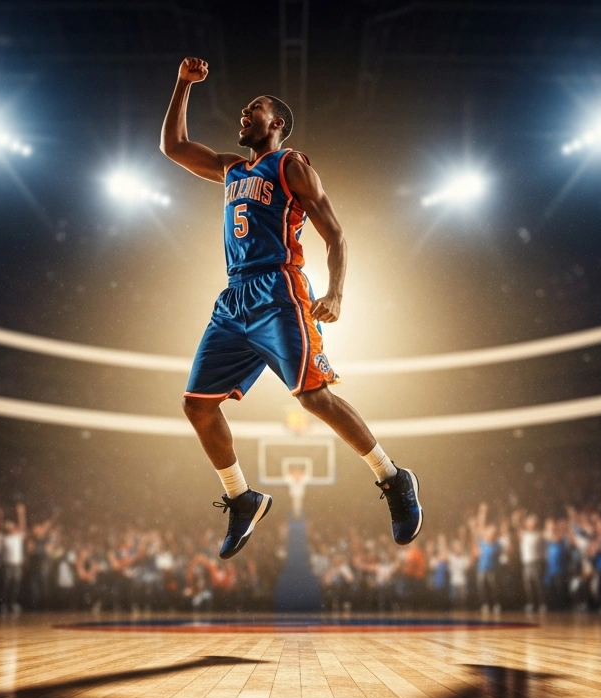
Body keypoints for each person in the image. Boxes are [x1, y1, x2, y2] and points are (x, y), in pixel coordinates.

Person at [159, 57, 422, 559]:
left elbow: (336, 234)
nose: (244, 114)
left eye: (253, 109)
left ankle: (393, 478)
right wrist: (182, 84)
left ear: (276, 122)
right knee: (197, 405)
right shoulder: (231, 168)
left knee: (313, 397)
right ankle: (242, 497)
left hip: (279, 290)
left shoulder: (290, 165)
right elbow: (173, 147)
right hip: (234, 297)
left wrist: (335, 293)